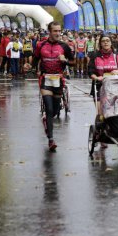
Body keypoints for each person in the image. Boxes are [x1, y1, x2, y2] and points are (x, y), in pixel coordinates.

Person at [33, 21, 75, 151]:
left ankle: (47, 119)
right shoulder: (41, 45)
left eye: (59, 31)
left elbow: (73, 62)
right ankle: (51, 139)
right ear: (49, 31)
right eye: (55, 31)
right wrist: (32, 66)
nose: (58, 33)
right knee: (49, 109)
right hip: (45, 79)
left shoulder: (64, 46)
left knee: (56, 110)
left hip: (58, 79)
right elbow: (35, 59)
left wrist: (66, 61)